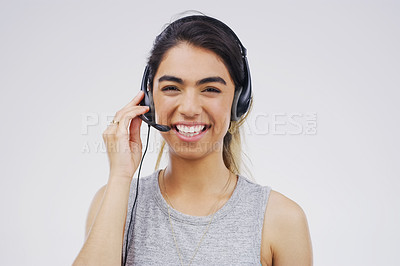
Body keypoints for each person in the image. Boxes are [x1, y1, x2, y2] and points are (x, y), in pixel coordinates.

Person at [74, 13, 313, 266]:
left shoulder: (281, 219)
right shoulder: (113, 200)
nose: (189, 108)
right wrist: (120, 176)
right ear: (150, 99)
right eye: (171, 88)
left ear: (238, 101)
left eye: (210, 89)